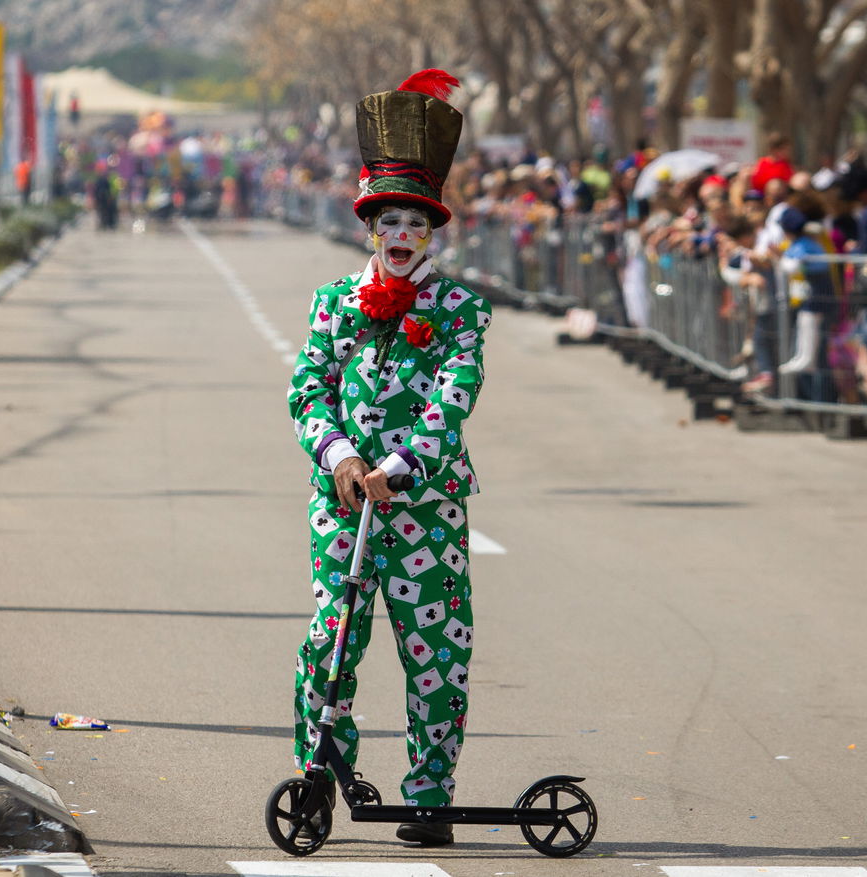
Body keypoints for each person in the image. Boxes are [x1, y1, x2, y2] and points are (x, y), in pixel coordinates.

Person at [286, 69, 491, 848]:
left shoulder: (462, 309)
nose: (401, 235)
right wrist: (340, 457)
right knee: (330, 639)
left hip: (424, 505)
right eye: (388, 221)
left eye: (415, 221)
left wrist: (399, 467)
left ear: (431, 231)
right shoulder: (332, 301)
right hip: (340, 503)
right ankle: (317, 776)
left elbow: (455, 394)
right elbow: (309, 388)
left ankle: (428, 796)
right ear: (370, 228)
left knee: (435, 652)